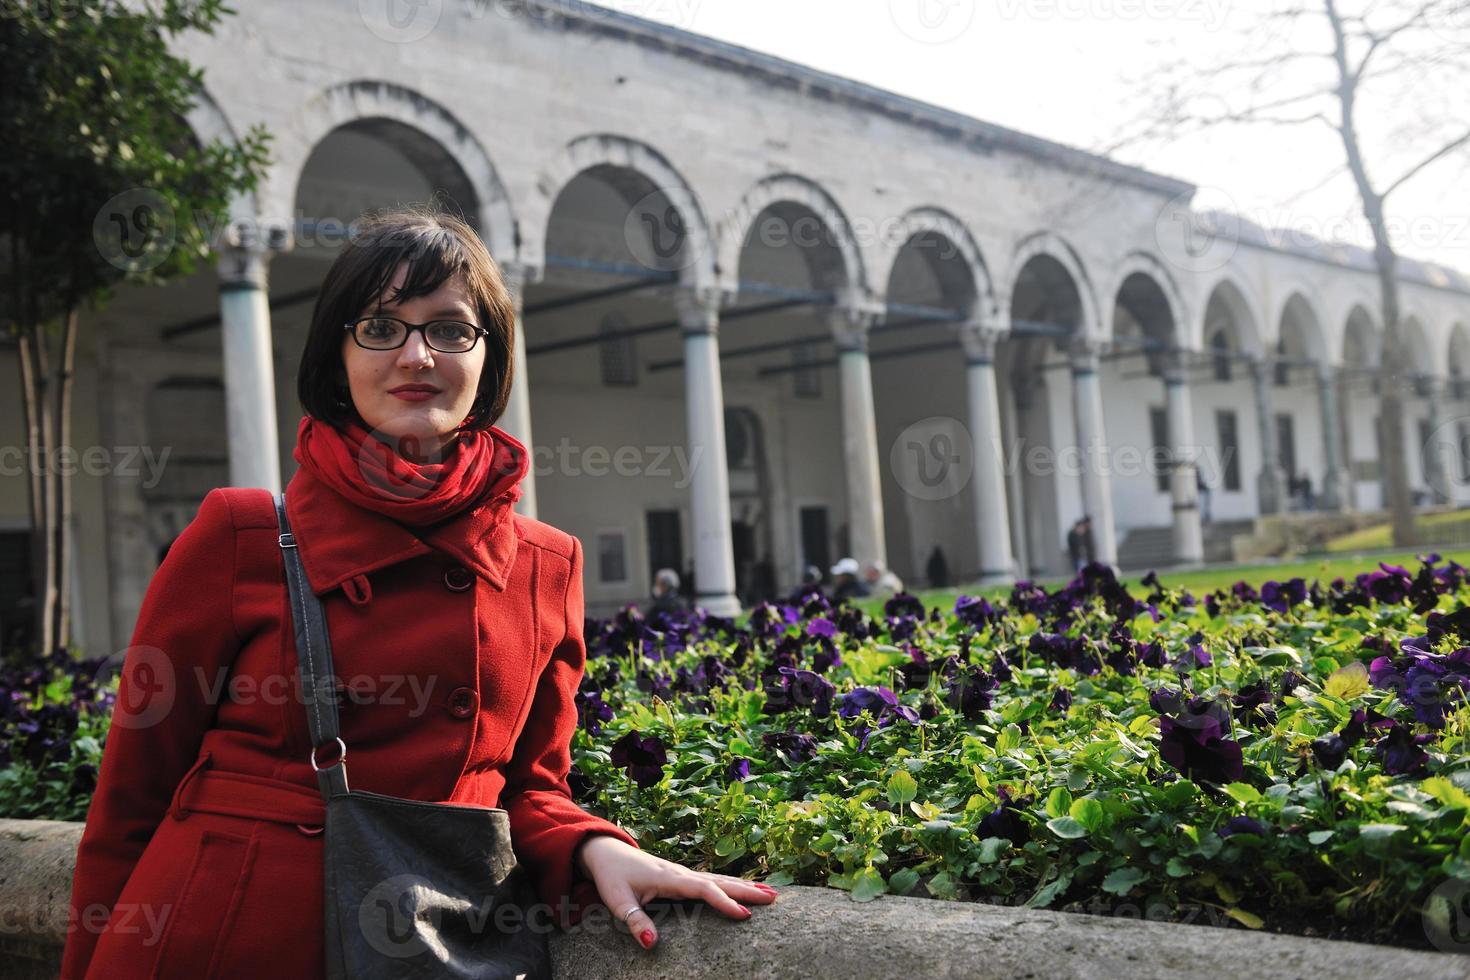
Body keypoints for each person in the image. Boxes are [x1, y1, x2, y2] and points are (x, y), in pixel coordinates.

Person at [59, 206, 776, 980]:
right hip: (221, 939)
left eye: (449, 328)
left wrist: (595, 845)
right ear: (336, 356)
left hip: (427, 941)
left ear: (488, 357)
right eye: (379, 326)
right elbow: (129, 799)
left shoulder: (546, 564)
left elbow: (529, 786)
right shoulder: (240, 535)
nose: (415, 355)